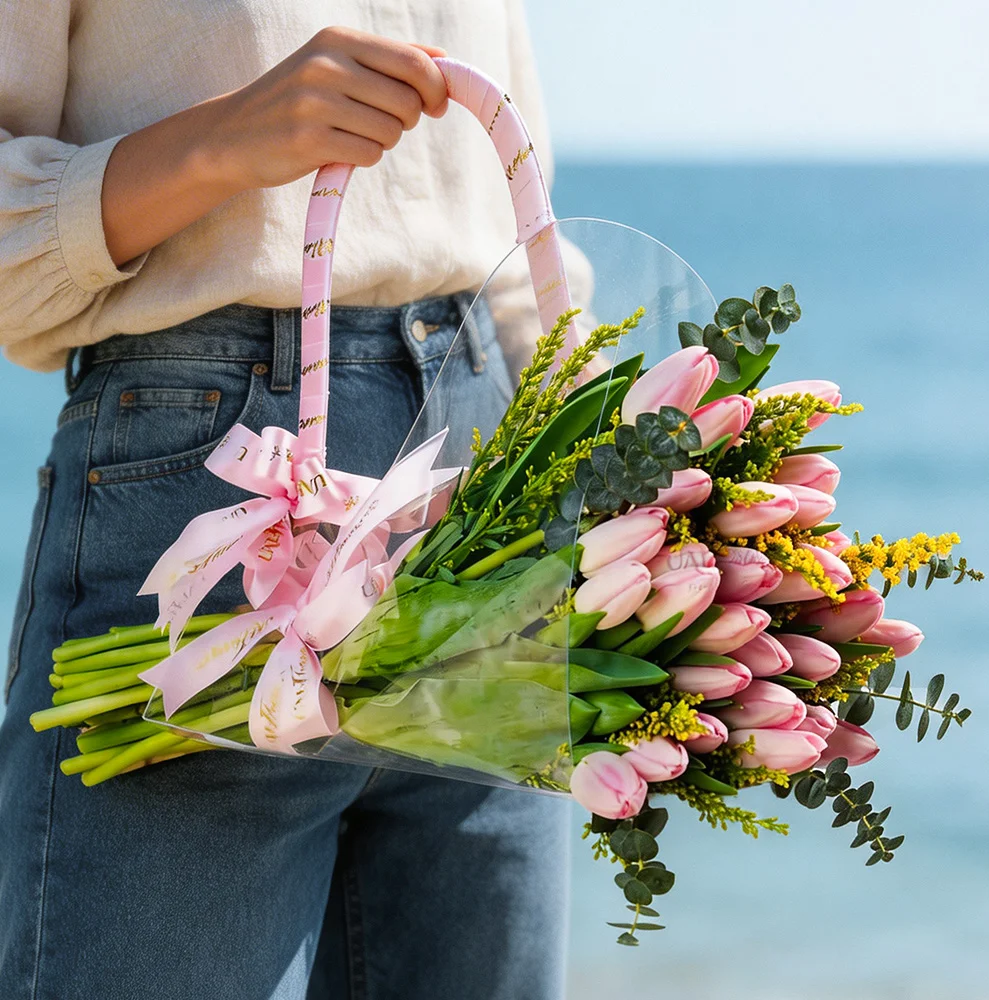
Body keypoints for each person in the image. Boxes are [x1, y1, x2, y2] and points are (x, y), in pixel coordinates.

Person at [0, 5, 571, 998]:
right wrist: (220, 141)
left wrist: (628, 462)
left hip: (487, 492)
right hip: (220, 473)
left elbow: (515, 239)